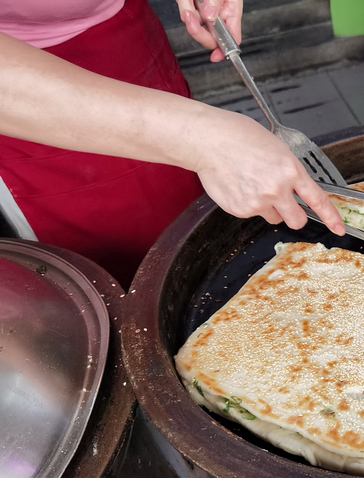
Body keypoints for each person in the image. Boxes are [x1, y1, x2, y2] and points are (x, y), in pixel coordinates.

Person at [0, 0, 345, 288]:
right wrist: (198, 138)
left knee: (194, 237)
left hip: (129, 35)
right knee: (124, 286)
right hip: (31, 98)